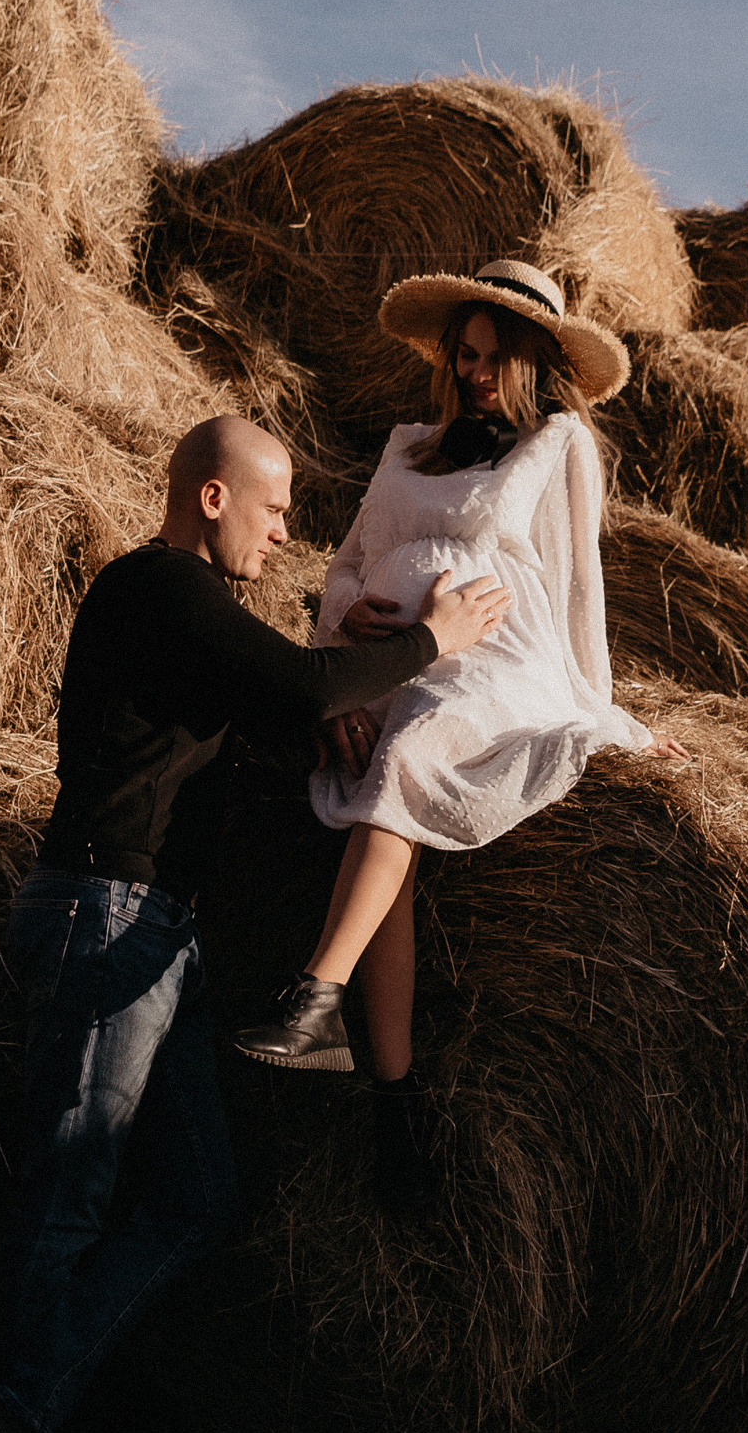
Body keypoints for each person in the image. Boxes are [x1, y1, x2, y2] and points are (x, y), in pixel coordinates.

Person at [0, 411, 509, 1433]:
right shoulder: (155, 590)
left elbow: (293, 706)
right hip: (102, 911)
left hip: (163, 935)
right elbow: (298, 684)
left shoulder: (194, 621)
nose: (285, 528)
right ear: (212, 500)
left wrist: (340, 712)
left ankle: (23, 1422)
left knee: (196, 1198)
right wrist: (430, 643)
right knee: (67, 1198)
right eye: (273, 506)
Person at [235, 261, 668, 1200]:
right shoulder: (406, 448)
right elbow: (348, 563)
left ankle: (316, 994)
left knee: (415, 756)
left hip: (498, 657)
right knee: (383, 820)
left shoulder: (559, 448)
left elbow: (573, 588)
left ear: (532, 365)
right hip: (390, 662)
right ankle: (393, 1101)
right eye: (463, 355)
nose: (472, 373)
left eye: (490, 358)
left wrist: (606, 712)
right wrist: (340, 647)